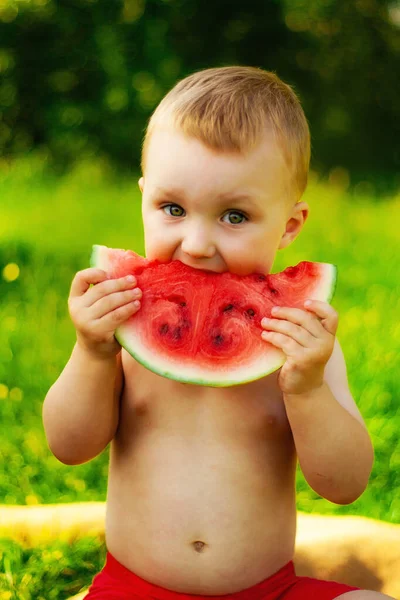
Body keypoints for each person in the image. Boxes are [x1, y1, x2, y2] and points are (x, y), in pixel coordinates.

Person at [43, 66, 394, 600]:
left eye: (234, 215)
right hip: (133, 588)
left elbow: (344, 486)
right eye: (173, 209)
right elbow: (68, 446)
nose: (198, 243)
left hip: (268, 590)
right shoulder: (122, 330)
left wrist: (308, 389)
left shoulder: (299, 344)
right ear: (144, 198)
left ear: (290, 225)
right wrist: (91, 354)